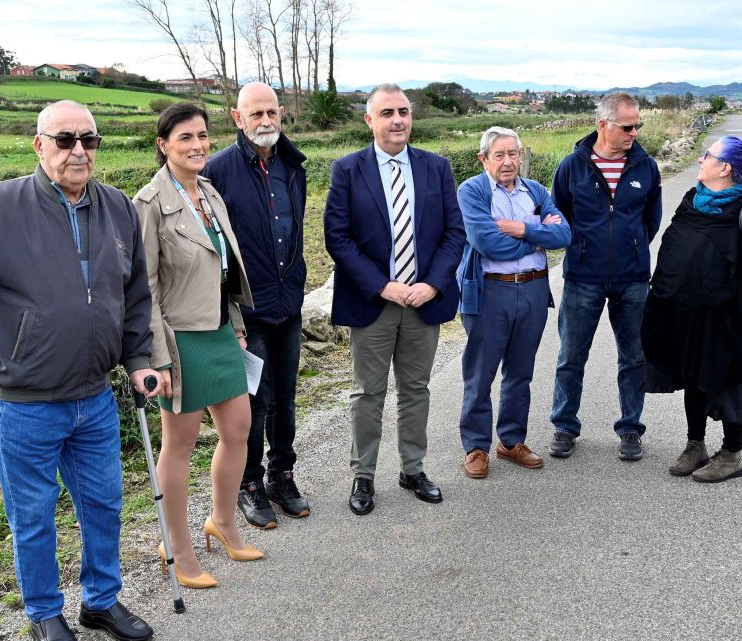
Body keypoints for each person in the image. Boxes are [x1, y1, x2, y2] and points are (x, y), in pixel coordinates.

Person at [0, 100, 155, 641]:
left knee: (104, 505)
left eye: (89, 140)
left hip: (95, 396)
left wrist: (138, 359)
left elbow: (134, 294)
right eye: (65, 140)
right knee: (34, 518)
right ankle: (44, 615)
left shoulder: (117, 208)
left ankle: (101, 602)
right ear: (39, 145)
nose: (79, 151)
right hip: (25, 402)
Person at [132, 102, 263, 590]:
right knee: (181, 443)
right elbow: (141, 285)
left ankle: (223, 522)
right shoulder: (148, 203)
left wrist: (235, 323)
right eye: (185, 138)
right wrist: (156, 356)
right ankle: (177, 544)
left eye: (203, 136)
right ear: (163, 145)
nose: (197, 146)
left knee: (239, 429)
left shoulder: (209, 192)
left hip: (220, 331)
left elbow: (224, 271)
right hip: (178, 339)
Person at [324, 83, 466, 515]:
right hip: (375, 301)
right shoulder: (348, 169)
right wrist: (384, 285)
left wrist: (433, 284)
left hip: (423, 301)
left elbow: (454, 233)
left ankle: (412, 469)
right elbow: (338, 237)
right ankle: (363, 476)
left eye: (403, 111)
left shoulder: (435, 168)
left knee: (416, 388)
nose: (398, 119)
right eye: (387, 112)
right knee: (368, 392)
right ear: (370, 120)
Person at [202, 82, 310, 529]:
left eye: (271, 112)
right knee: (253, 402)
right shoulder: (218, 171)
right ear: (237, 117)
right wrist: (228, 309)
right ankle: (248, 483)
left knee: (286, 397)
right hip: (247, 311)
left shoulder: (293, 164)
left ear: (281, 113)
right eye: (255, 114)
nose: (265, 121)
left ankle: (281, 475)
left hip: (289, 302)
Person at [642, 136, 742, 482]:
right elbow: (675, 246)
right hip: (683, 310)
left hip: (724, 316)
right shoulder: (693, 200)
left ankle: (732, 453)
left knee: (728, 379)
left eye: (708, 156)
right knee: (692, 377)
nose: (701, 159)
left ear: (724, 168)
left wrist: (740, 318)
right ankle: (695, 444)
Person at [548, 92, 662, 462]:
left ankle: (630, 428)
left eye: (637, 126)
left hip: (632, 279)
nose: (634, 133)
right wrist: (582, 248)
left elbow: (651, 220)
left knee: (634, 357)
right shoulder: (571, 167)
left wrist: (632, 248)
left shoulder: (646, 166)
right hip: (583, 277)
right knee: (571, 355)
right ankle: (565, 425)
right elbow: (560, 216)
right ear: (603, 125)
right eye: (627, 127)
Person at [456, 127, 572, 479]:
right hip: (492, 291)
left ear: (521, 155)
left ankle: (511, 441)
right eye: (499, 155)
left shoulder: (535, 190)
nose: (508, 162)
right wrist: (538, 237)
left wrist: (520, 229)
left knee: (520, 372)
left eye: (513, 154)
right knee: (480, 374)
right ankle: (476, 446)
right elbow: (488, 244)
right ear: (483, 159)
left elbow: (564, 234)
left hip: (535, 290)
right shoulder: (472, 191)